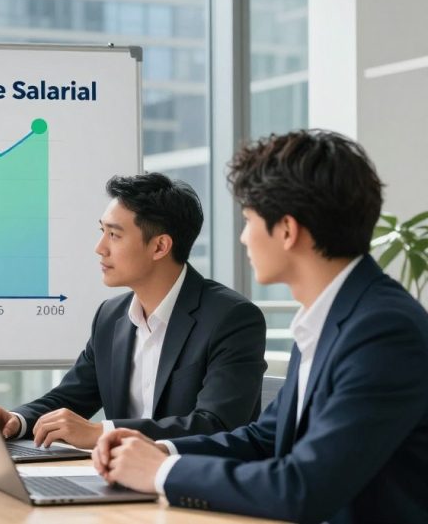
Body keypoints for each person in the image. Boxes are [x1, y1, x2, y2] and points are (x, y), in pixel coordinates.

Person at [93, 130, 428, 523]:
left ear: (287, 230)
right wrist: (161, 451)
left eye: (249, 220)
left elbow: (303, 487)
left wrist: (159, 473)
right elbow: (264, 438)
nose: (242, 237)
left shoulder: (383, 331)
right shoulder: (330, 317)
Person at [0, 173, 267, 450]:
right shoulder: (111, 316)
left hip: (193, 482)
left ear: (159, 246)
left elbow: (216, 424)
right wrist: (18, 420)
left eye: (114, 235)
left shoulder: (231, 318)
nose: (100, 248)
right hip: (121, 479)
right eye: (103, 232)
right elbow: (72, 397)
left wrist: (103, 433)